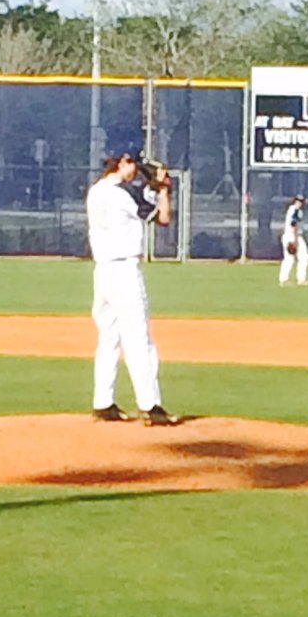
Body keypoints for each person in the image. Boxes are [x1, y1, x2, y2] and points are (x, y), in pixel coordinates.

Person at [86, 151, 179, 426]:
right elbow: (162, 218)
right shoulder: (121, 195)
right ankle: (150, 405)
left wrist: (154, 186)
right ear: (123, 162)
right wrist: (162, 188)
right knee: (139, 339)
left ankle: (103, 403)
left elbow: (141, 202)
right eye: (134, 164)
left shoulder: (96, 191)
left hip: (102, 271)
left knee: (109, 339)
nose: (137, 170)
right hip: (124, 271)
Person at [279, 192, 308, 285]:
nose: (299, 203)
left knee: (302, 257)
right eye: (298, 201)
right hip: (292, 236)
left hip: (290, 235)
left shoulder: (291, 209)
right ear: (294, 201)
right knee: (291, 258)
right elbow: (294, 225)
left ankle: (298, 279)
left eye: (301, 201)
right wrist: (295, 239)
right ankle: (285, 280)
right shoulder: (296, 210)